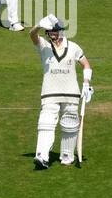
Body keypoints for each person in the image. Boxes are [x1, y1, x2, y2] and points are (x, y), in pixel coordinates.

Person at [27, 15, 91, 169]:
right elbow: (32, 35)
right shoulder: (44, 46)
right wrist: (38, 26)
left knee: (70, 124)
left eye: (54, 32)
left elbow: (86, 65)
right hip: (50, 93)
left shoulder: (74, 47)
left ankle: (67, 156)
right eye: (49, 32)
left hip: (71, 93)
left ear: (61, 32)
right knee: (46, 123)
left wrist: (86, 84)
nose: (51, 35)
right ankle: (42, 156)